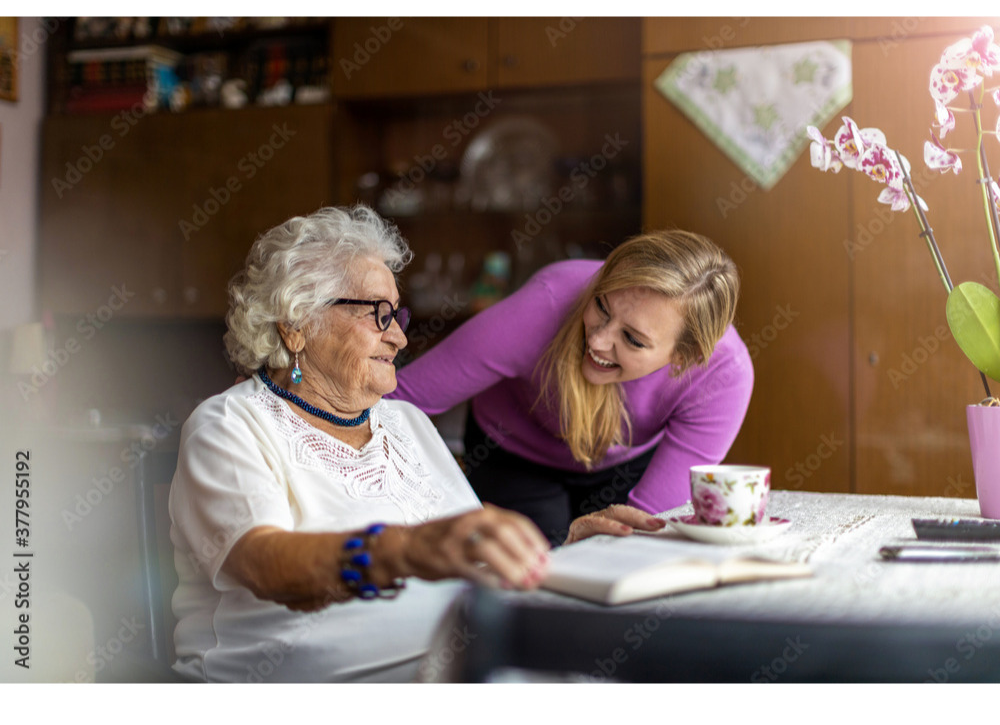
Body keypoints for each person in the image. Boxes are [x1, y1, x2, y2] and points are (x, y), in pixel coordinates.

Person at [167, 205, 662, 683]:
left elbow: (467, 556)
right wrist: (404, 549)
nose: (400, 341)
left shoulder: (405, 422)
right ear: (296, 327)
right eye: (377, 315)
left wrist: (560, 551)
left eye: (396, 317)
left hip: (453, 672)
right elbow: (265, 564)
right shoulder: (231, 424)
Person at [390, 229, 753, 545]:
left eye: (632, 339)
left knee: (619, 562)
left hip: (624, 463)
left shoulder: (723, 375)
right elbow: (397, 400)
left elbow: (645, 527)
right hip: (512, 451)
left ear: (684, 357)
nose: (597, 340)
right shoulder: (545, 303)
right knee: (531, 571)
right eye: (601, 306)